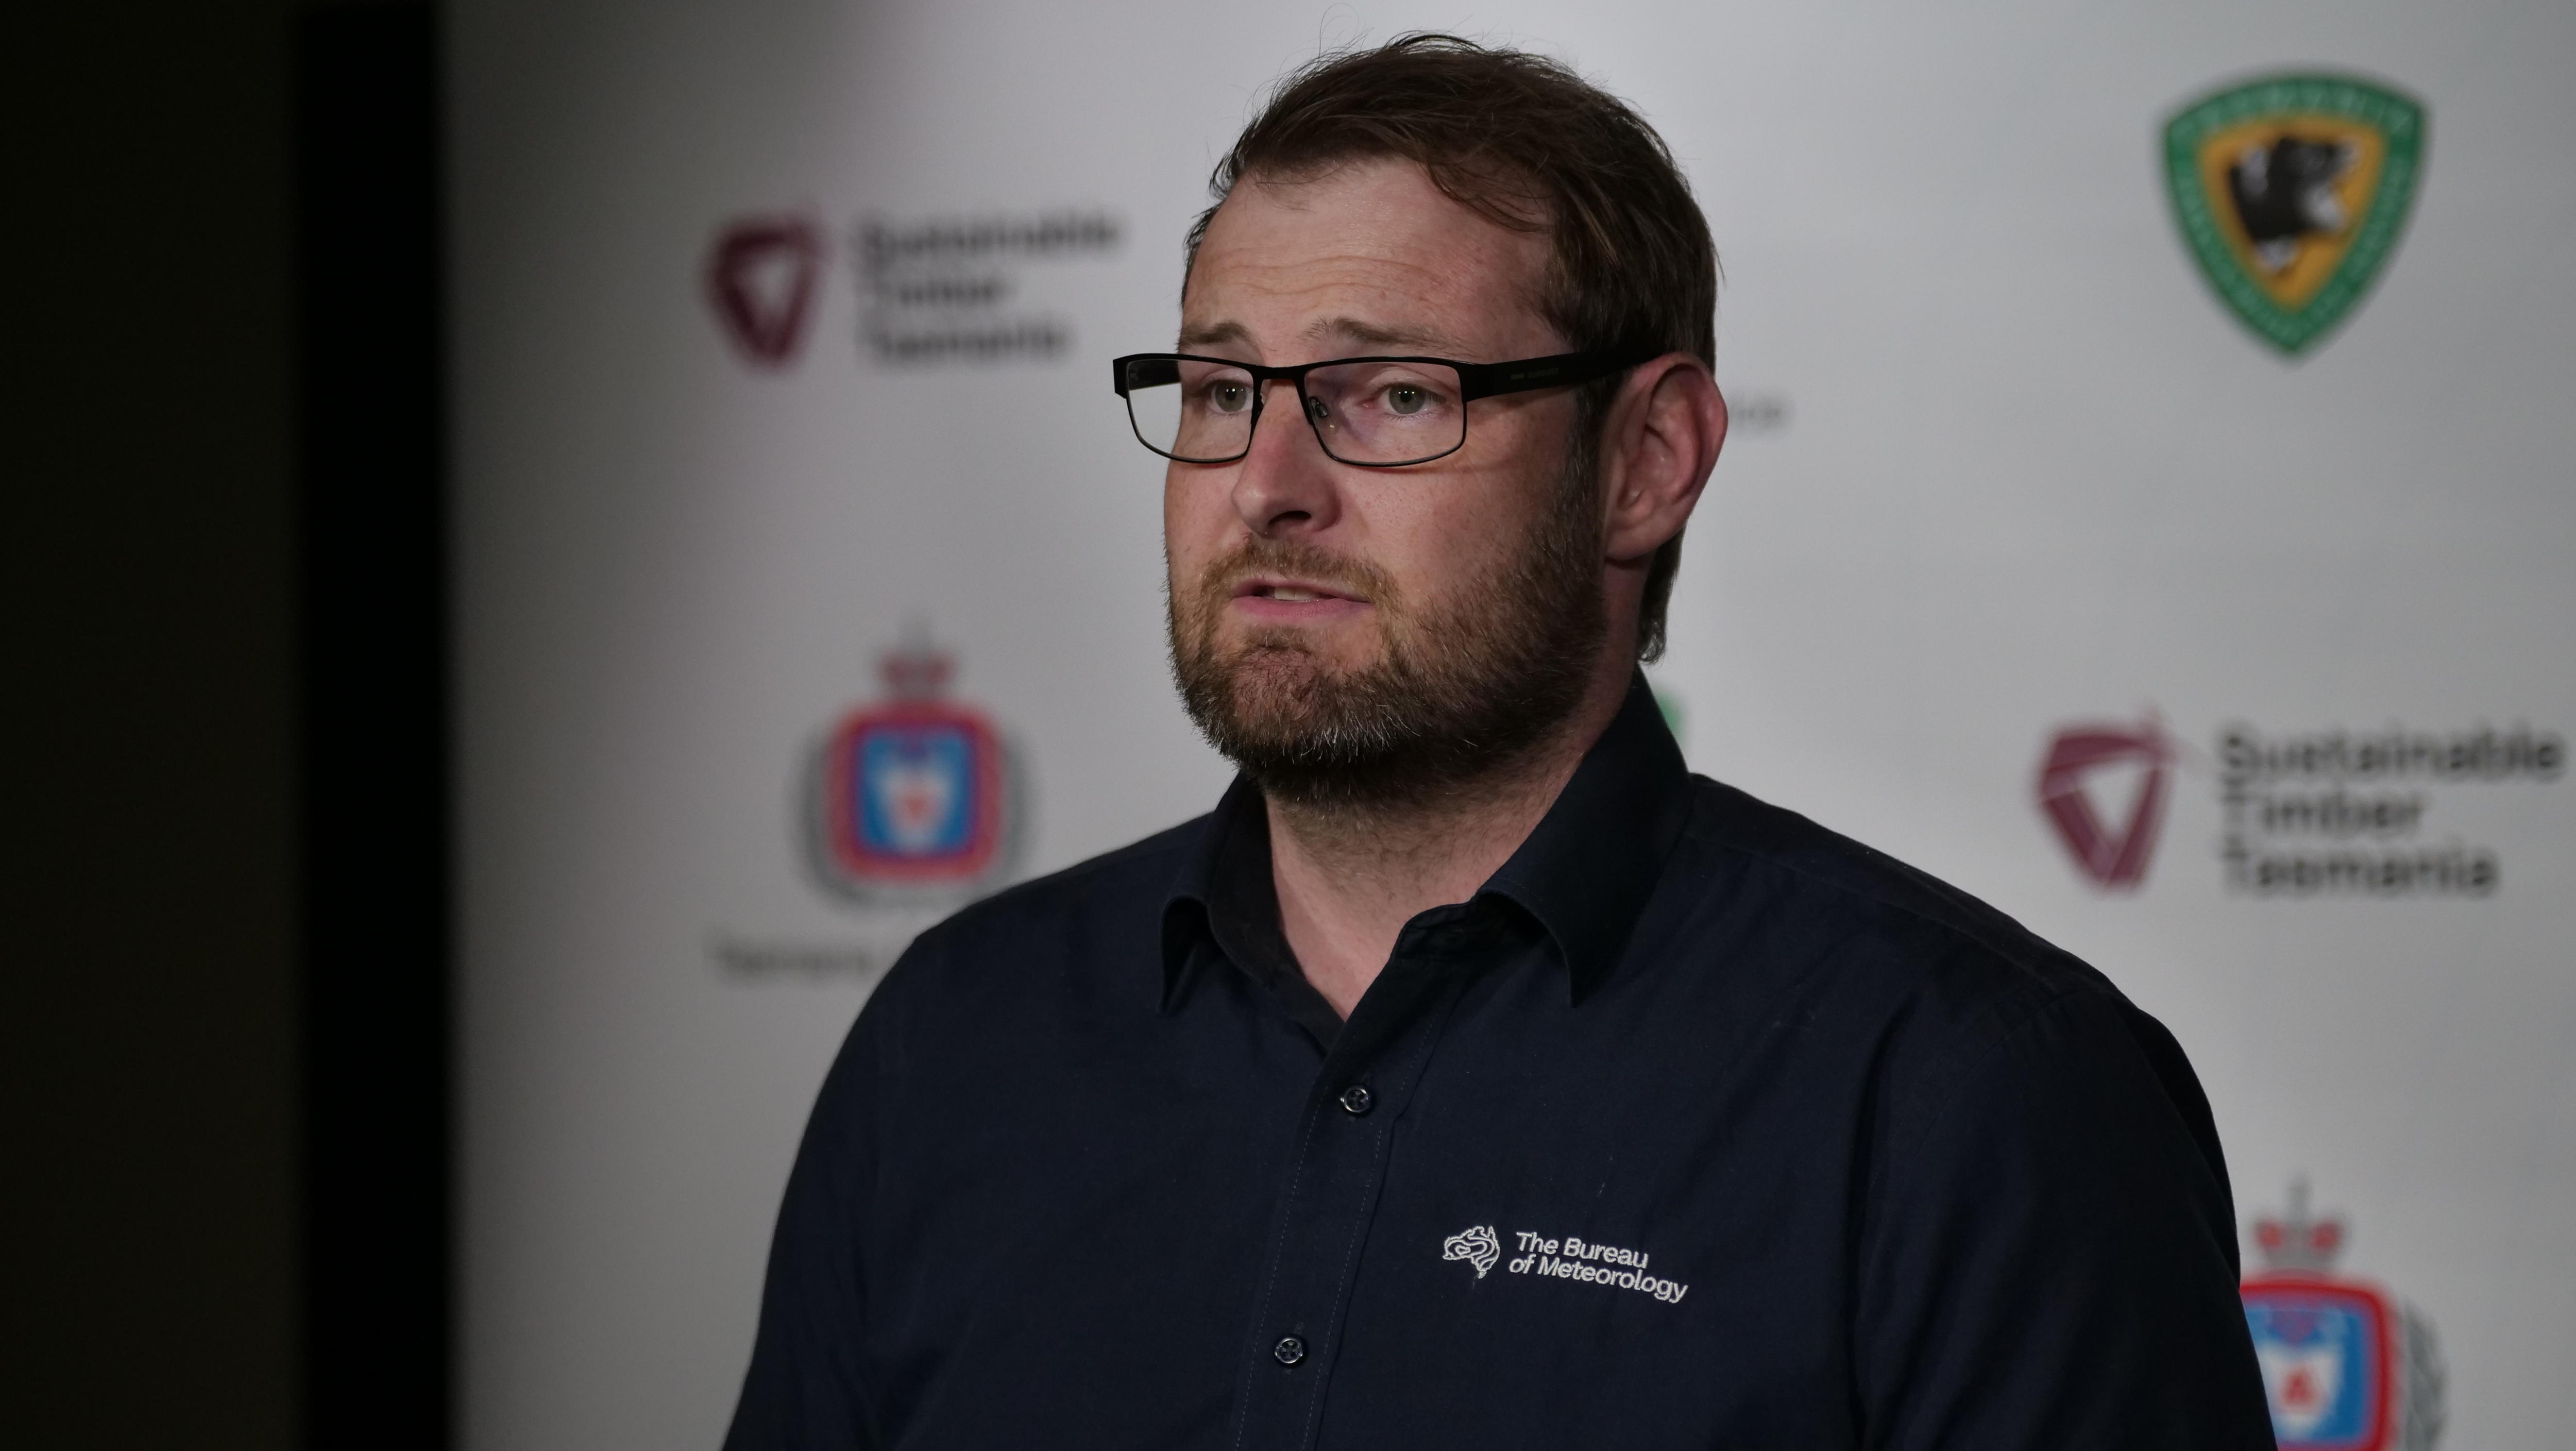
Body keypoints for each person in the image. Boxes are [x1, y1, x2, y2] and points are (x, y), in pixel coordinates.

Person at [724, 35, 2273, 1449]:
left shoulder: (1975, 1094)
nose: (1267, 484)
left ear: (1648, 462)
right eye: (1217, 387)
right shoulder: (955, 1040)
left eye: (1391, 393)